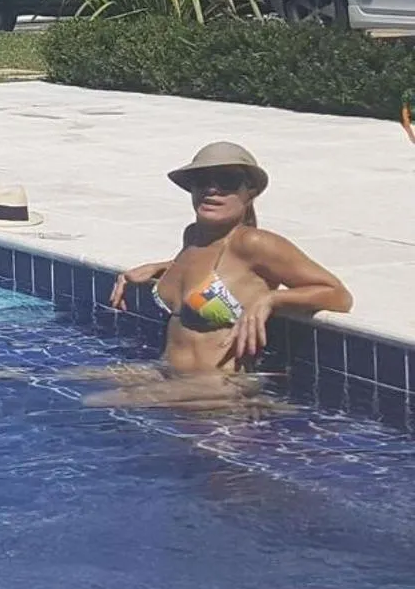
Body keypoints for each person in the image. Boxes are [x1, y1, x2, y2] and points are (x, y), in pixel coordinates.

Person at [90, 141, 350, 406]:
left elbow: (338, 295)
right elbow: (208, 276)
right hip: (167, 373)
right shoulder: (194, 236)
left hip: (222, 386)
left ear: (249, 192)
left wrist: (271, 299)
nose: (212, 189)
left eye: (227, 181)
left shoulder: (255, 244)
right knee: (68, 379)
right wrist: (161, 267)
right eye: (201, 180)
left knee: (97, 403)